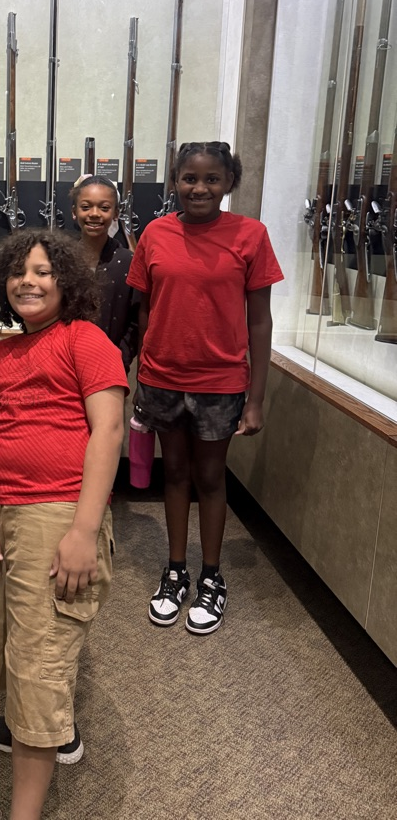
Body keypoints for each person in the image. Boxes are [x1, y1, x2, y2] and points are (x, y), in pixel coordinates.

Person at [0, 229, 128, 820]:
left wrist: (82, 531)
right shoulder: (1, 354)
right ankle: (47, 729)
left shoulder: (86, 340)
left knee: (37, 661)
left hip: (53, 513)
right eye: (17, 272)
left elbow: (107, 432)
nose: (28, 281)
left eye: (43, 272)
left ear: (67, 282)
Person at [127, 141, 283, 634]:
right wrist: (145, 369)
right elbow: (145, 309)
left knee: (211, 479)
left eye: (212, 179)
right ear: (175, 180)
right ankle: (175, 571)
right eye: (190, 178)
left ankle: (212, 577)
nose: (200, 188)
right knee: (173, 474)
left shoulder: (250, 235)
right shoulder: (154, 233)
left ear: (228, 183)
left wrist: (255, 398)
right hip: (162, 378)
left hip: (220, 382)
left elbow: (260, 321)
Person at [70, 174, 140, 371]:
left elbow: (136, 320)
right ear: (74, 212)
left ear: (116, 213)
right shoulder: (60, 259)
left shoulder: (128, 261)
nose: (94, 214)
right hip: (62, 364)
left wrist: (120, 358)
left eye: (104, 208)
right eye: (86, 207)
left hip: (111, 366)